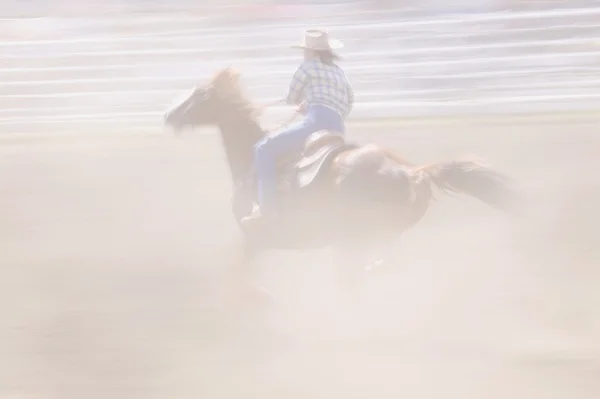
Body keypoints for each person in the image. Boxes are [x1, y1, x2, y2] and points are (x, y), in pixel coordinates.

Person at [241, 28, 355, 230]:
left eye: (305, 50)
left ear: (310, 52)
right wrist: (317, 104)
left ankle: (267, 209)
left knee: (263, 149)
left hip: (315, 123)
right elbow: (348, 103)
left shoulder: (307, 67)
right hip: (337, 127)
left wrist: (307, 105)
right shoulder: (340, 72)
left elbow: (292, 97)